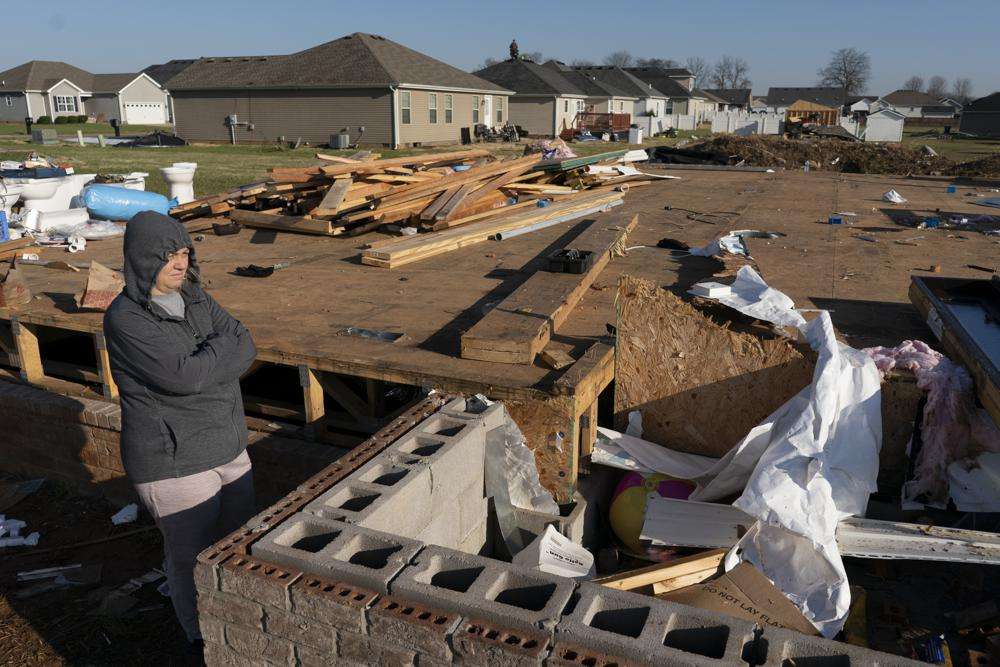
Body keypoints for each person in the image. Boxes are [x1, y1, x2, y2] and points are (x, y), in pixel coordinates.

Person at [104, 211, 257, 652]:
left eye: (184, 253)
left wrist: (210, 359)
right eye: (168, 255)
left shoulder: (194, 295)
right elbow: (183, 378)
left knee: (238, 546)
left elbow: (246, 342)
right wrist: (219, 353)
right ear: (143, 259)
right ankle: (200, 641)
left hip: (228, 445)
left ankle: (240, 628)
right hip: (175, 462)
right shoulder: (127, 319)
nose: (179, 263)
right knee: (191, 560)